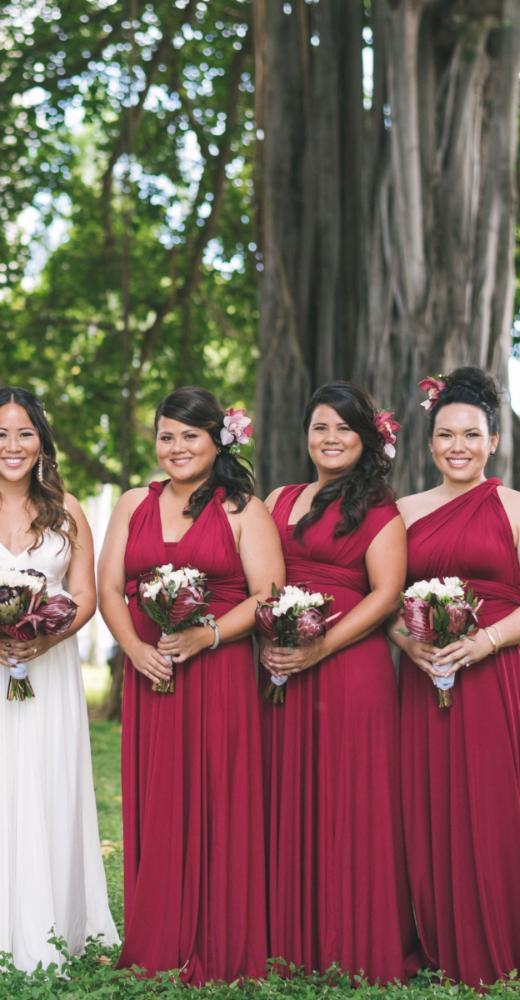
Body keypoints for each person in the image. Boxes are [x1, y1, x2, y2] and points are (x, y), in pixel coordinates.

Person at [0, 386, 118, 973]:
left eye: (25, 433)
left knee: (44, 778)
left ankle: (50, 924)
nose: (13, 445)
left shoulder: (68, 509)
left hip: (47, 665)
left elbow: (83, 595)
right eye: (1, 433)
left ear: (42, 442)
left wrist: (45, 639)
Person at [98, 386, 281, 983]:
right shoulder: (133, 503)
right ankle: (159, 933)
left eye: (190, 436)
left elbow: (269, 594)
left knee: (218, 794)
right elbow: (108, 588)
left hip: (219, 673)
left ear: (217, 441)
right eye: (166, 436)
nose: (176, 447)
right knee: (158, 795)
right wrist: (134, 650)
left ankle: (219, 934)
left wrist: (210, 635)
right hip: (151, 671)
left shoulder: (243, 509)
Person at [260, 382, 419, 982]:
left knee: (350, 799)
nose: (330, 439)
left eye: (343, 428)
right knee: (285, 790)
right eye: (320, 427)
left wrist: (320, 647)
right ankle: (286, 936)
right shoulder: (278, 498)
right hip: (281, 664)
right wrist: (269, 639)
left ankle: (351, 938)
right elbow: (259, 580)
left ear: (366, 438)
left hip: (351, 669)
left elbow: (385, 595)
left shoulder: (380, 511)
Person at [392, 367, 520, 986]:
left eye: (471, 435)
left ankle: (503, 935)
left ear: (493, 440)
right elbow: (383, 599)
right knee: (430, 804)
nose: (458, 446)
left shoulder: (516, 509)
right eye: (446, 435)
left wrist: (485, 642)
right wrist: (408, 644)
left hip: (499, 674)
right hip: (426, 676)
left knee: (497, 803)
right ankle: (442, 935)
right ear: (430, 443)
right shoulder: (403, 512)